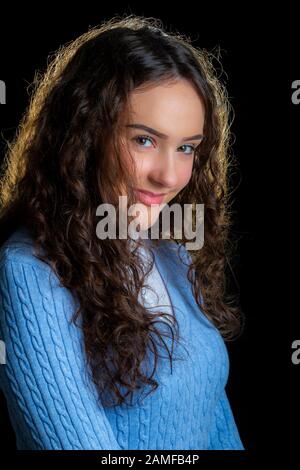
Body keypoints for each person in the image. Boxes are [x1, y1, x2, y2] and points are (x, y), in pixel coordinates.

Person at [0, 15, 244, 450]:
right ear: (86, 134)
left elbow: (212, 415)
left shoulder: (173, 250)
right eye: (144, 140)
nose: (169, 176)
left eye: (187, 147)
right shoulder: (28, 271)